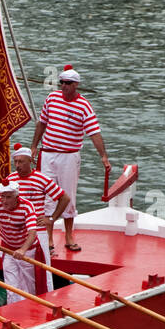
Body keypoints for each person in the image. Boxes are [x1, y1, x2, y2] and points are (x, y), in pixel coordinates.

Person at [29, 65, 111, 253]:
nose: (63, 86)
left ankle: (68, 235)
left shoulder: (83, 106)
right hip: (48, 153)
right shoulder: (52, 98)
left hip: (69, 156)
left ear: (75, 85)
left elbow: (94, 133)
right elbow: (41, 123)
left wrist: (103, 156)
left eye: (67, 83)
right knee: (47, 196)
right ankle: (48, 238)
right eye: (61, 83)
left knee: (68, 195)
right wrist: (34, 145)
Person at [0, 182, 41, 303]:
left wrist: (23, 250)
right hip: (8, 250)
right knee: (11, 287)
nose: (4, 201)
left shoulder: (27, 206)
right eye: (2, 196)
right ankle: (15, 313)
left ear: (16, 197)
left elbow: (32, 232)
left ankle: (33, 309)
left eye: (8, 197)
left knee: (31, 286)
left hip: (28, 250)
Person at [8, 144, 70, 259]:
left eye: (21, 162)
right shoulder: (10, 180)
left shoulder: (41, 179)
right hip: (16, 230)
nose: (17, 165)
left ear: (30, 161)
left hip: (37, 229)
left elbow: (65, 198)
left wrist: (52, 218)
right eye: (15, 162)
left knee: (41, 267)